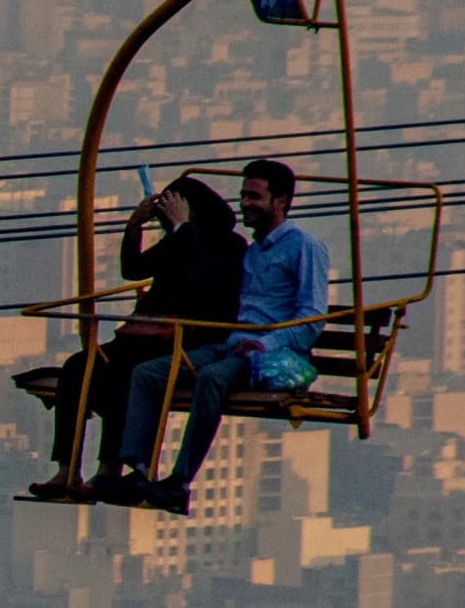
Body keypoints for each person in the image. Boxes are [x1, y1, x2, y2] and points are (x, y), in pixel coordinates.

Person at [104, 157, 328, 514]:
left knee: (209, 379)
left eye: (255, 196)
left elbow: (312, 316)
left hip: (269, 353)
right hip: (231, 344)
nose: (246, 204)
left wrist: (264, 342)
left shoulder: (304, 247)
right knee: (147, 374)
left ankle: (179, 483)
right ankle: (140, 470)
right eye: (243, 196)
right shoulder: (251, 252)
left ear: (280, 202)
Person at [26, 174, 239, 499]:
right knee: (78, 367)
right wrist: (135, 226)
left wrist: (182, 230)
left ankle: (108, 470)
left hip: (184, 340)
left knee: (121, 377)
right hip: (143, 336)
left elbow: (202, 279)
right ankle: (66, 469)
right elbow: (134, 269)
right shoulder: (177, 241)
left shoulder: (228, 246)